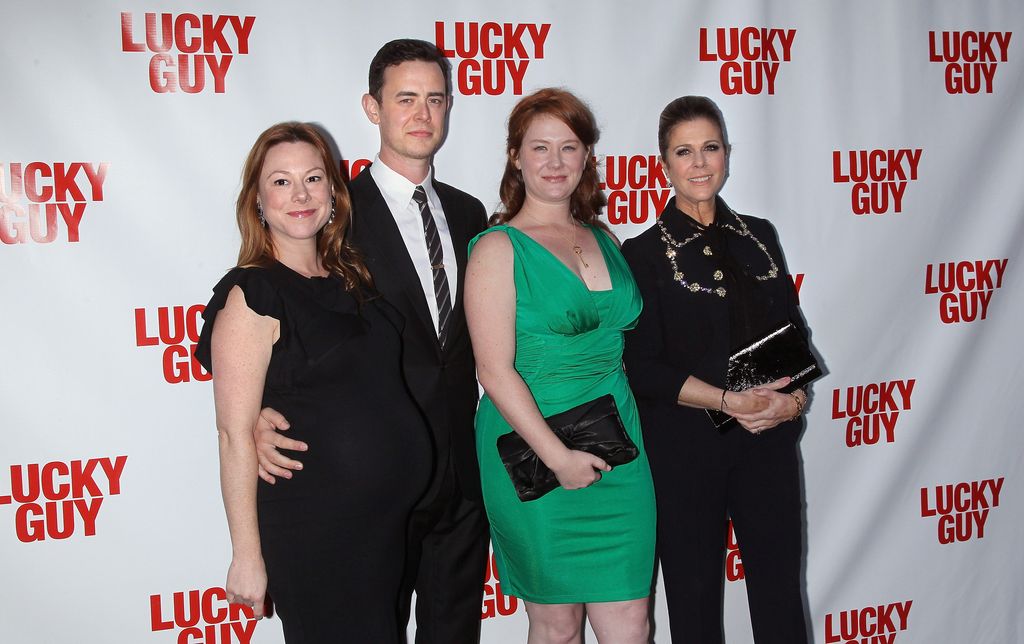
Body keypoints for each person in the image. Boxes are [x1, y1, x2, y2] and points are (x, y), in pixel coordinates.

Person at [251, 40, 490, 643]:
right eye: (405, 98)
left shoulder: (470, 214)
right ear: (372, 107)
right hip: (372, 476)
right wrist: (256, 412)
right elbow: (279, 312)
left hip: (463, 474)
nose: (422, 113)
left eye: (435, 99)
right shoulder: (331, 214)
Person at [195, 122, 432, 642]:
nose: (300, 195)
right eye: (281, 182)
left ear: (333, 191)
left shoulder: (351, 277)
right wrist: (246, 556)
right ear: (257, 201)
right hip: (317, 529)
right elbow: (234, 433)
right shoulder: (253, 292)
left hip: (381, 527)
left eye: (313, 178)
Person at [465, 88, 656, 644]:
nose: (555, 162)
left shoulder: (605, 238)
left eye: (569, 147)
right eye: (539, 147)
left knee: (632, 622)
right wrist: (559, 458)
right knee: (557, 625)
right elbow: (493, 370)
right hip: (532, 448)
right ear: (515, 157)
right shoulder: (497, 248)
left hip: (620, 447)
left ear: (586, 156)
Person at [621, 96, 811, 643]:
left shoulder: (760, 235)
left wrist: (791, 404)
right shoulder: (642, 253)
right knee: (694, 602)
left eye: (710, 147)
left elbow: (793, 339)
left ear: (727, 153)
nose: (700, 163)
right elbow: (642, 367)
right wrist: (729, 403)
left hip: (768, 445)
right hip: (684, 455)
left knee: (780, 597)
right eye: (684, 152)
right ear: (664, 164)